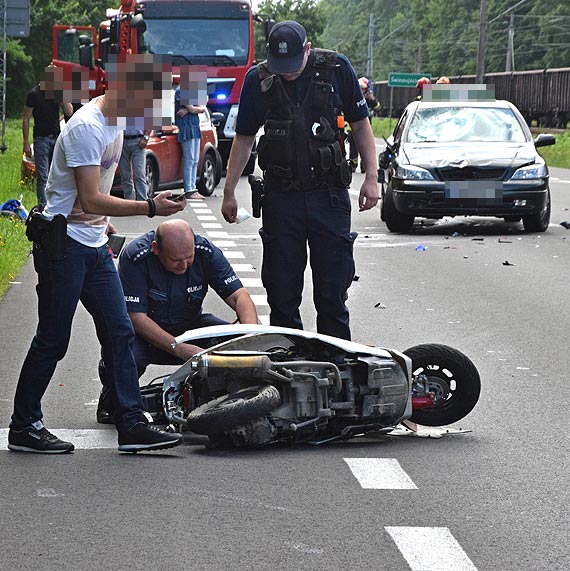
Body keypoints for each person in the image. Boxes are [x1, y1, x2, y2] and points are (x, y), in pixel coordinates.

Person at [8, 54, 187, 455]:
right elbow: (90, 196)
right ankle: (24, 425)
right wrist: (150, 208)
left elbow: (95, 194)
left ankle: (131, 423)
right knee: (54, 338)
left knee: (119, 330)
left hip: (91, 242)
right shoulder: (87, 127)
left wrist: (102, 222)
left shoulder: (118, 122)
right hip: (63, 244)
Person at [221, 20, 378, 341]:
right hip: (282, 199)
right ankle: (288, 371)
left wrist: (372, 178)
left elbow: (361, 125)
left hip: (329, 197)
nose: (287, 72)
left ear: (307, 50)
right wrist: (228, 191)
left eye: (292, 64)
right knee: (281, 294)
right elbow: (244, 138)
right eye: (281, 66)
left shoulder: (336, 69)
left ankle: (335, 368)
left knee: (332, 294)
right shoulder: (259, 79)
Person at [96, 219, 259, 422]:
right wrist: (180, 348)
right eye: (175, 260)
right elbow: (136, 317)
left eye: (188, 258)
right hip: (145, 333)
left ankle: (215, 396)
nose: (183, 265)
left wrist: (249, 334)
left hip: (189, 326)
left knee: (233, 345)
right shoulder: (135, 257)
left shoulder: (205, 251)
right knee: (126, 354)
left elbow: (239, 296)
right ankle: (111, 393)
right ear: (156, 249)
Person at [23, 66, 74, 206]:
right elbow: (26, 118)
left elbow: (69, 112)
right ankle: (42, 207)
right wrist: (25, 142)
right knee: (43, 176)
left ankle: (55, 205)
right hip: (40, 138)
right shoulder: (33, 94)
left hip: (56, 137)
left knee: (57, 174)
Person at [174, 84, 205, 199]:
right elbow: (194, 108)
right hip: (185, 127)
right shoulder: (180, 90)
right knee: (189, 158)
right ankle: (188, 189)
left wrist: (188, 110)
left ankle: (193, 188)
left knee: (195, 159)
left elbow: (203, 108)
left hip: (194, 126)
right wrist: (191, 109)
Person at [348, 76, 381, 173]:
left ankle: (364, 167)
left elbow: (378, 108)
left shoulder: (369, 99)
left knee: (365, 148)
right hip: (352, 128)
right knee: (353, 149)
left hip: (366, 128)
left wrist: (372, 99)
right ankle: (353, 165)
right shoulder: (353, 97)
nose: (361, 91)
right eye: (360, 88)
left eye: (363, 89)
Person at [119, 128, 150, 200]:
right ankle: (129, 203)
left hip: (138, 141)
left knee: (139, 174)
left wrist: (146, 137)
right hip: (122, 141)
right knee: (125, 175)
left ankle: (142, 203)